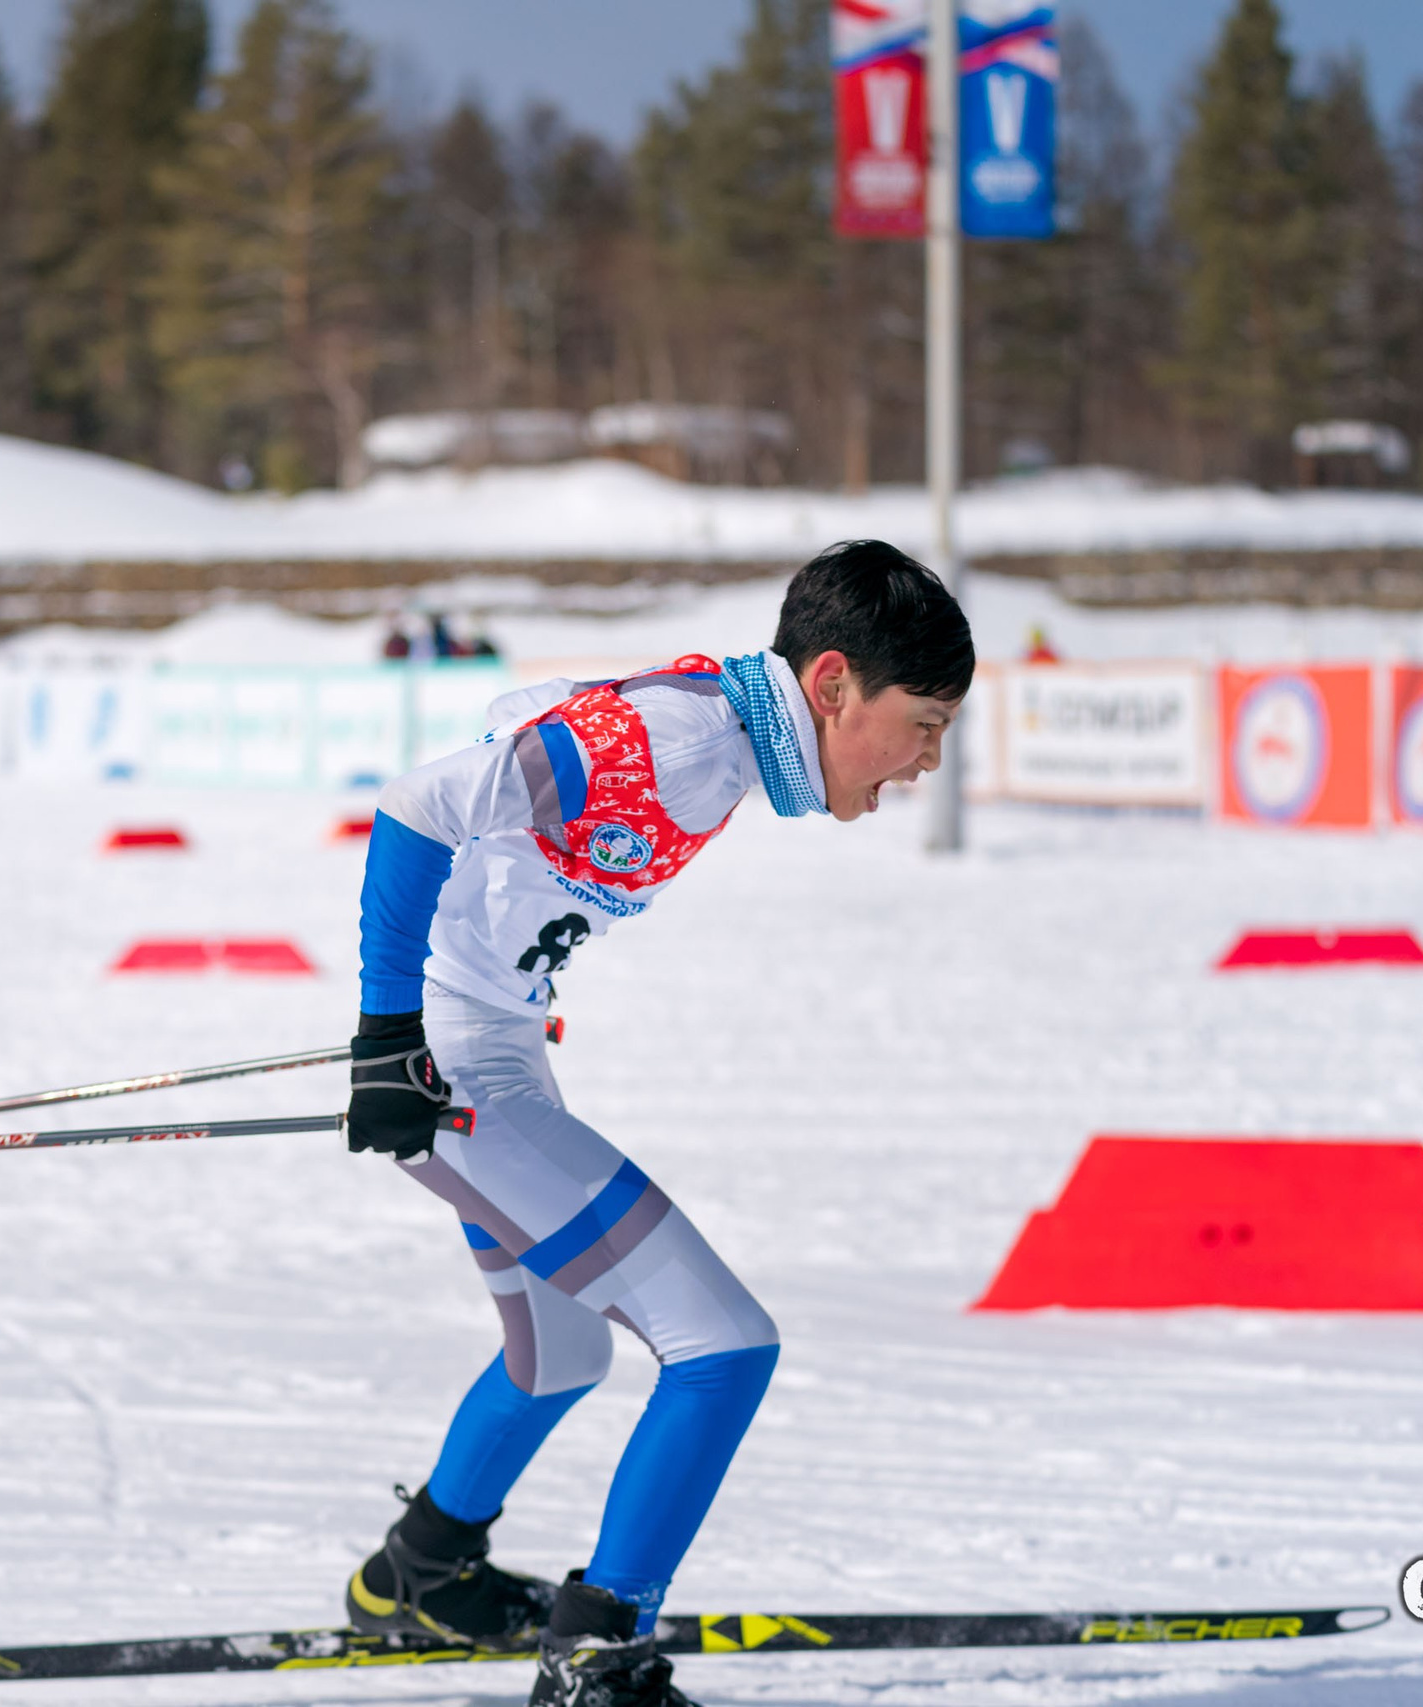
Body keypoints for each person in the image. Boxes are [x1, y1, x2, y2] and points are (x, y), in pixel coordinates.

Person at [341, 540, 972, 1707]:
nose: (929, 761)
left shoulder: (717, 722)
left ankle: (419, 1575)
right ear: (831, 685)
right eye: (924, 722)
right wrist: (388, 1037)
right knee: (723, 1350)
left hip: (491, 1043)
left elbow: (526, 728)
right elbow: (418, 804)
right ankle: (597, 1653)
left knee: (565, 1351)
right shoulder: (683, 741)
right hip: (460, 1065)